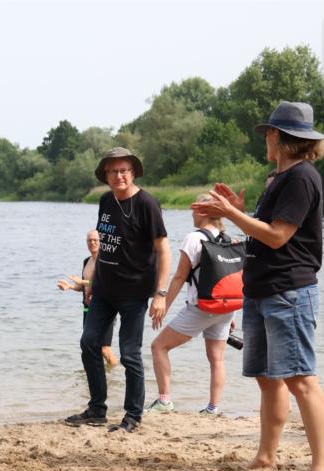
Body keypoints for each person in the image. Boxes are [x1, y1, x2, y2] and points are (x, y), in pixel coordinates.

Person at [192, 101, 324, 471]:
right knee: (269, 378)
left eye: (269, 133)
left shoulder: (302, 177)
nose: (266, 139)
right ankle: (267, 457)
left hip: (289, 291)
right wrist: (239, 209)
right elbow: (267, 229)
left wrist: (232, 214)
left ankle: (320, 467)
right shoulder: (278, 178)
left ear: (279, 137)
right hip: (262, 290)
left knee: (301, 378)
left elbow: (277, 236)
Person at [65, 148, 170, 432]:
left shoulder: (147, 203)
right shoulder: (106, 201)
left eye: (124, 170)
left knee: (129, 354)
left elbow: (163, 249)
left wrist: (161, 294)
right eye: (113, 171)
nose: (118, 176)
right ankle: (97, 409)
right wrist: (91, 280)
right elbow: (105, 246)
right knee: (89, 343)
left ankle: (133, 415)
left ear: (133, 172)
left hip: (135, 292)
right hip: (104, 290)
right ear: (106, 176)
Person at [147, 194, 237, 416]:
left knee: (159, 347)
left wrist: (164, 305)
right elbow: (230, 277)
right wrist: (231, 313)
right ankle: (213, 408)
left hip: (202, 307)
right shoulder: (228, 239)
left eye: (194, 210)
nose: (192, 214)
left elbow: (179, 277)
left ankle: (165, 401)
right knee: (217, 358)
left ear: (203, 211)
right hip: (226, 307)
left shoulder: (194, 238)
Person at [57, 230, 118, 368]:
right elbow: (85, 288)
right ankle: (99, 377)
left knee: (105, 349)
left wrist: (82, 282)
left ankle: (117, 374)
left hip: (105, 308)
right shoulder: (86, 261)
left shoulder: (106, 261)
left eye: (95, 240)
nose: (92, 242)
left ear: (101, 242)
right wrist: (71, 287)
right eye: (89, 240)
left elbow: (104, 283)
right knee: (90, 347)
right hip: (88, 309)